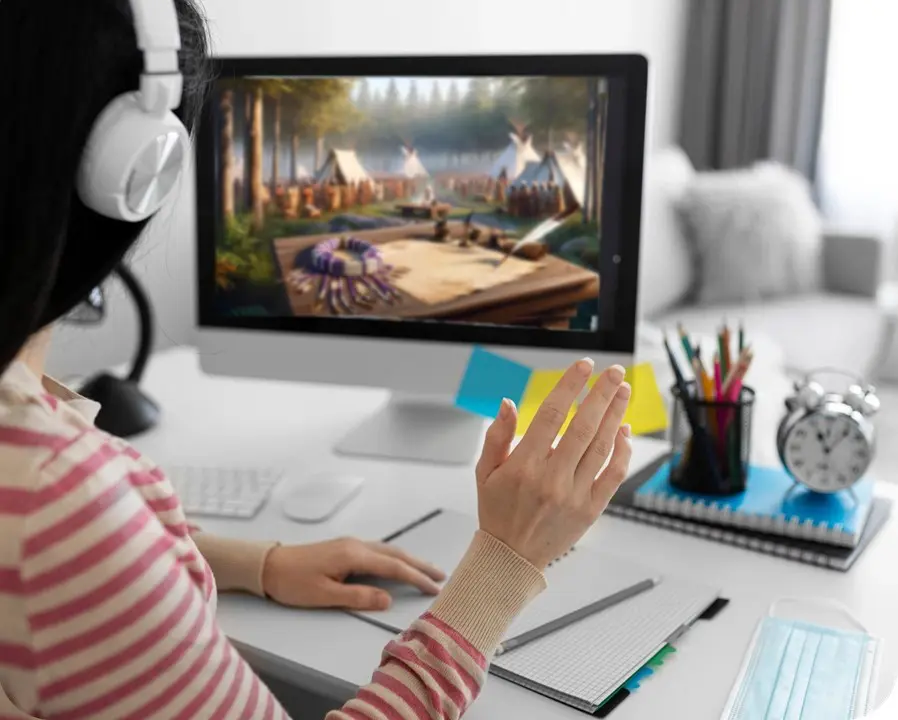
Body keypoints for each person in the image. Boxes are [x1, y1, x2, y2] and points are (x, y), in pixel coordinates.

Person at [0, 2, 634, 719]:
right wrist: (505, 561)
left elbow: (83, 579)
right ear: (131, 168)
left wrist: (256, 563)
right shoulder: (56, 501)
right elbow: (74, 547)